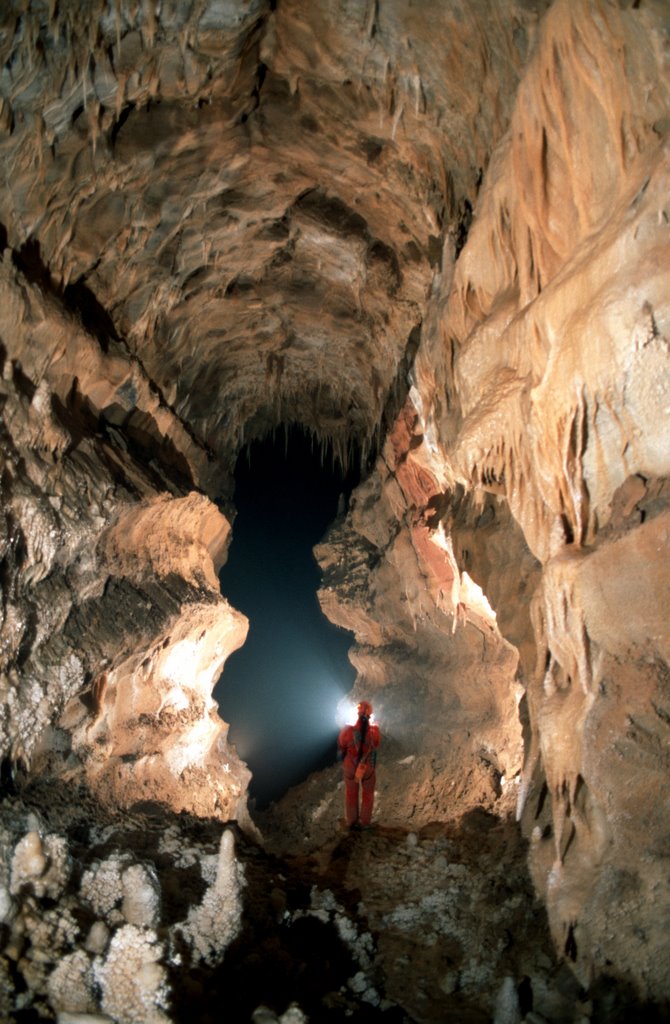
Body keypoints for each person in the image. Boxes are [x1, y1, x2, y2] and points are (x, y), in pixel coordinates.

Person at [337, 700, 380, 831]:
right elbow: (377, 744)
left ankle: (351, 822)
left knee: (351, 793)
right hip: (367, 768)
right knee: (368, 793)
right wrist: (375, 727)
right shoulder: (374, 731)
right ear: (370, 715)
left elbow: (341, 744)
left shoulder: (348, 730)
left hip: (350, 766)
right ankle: (365, 822)